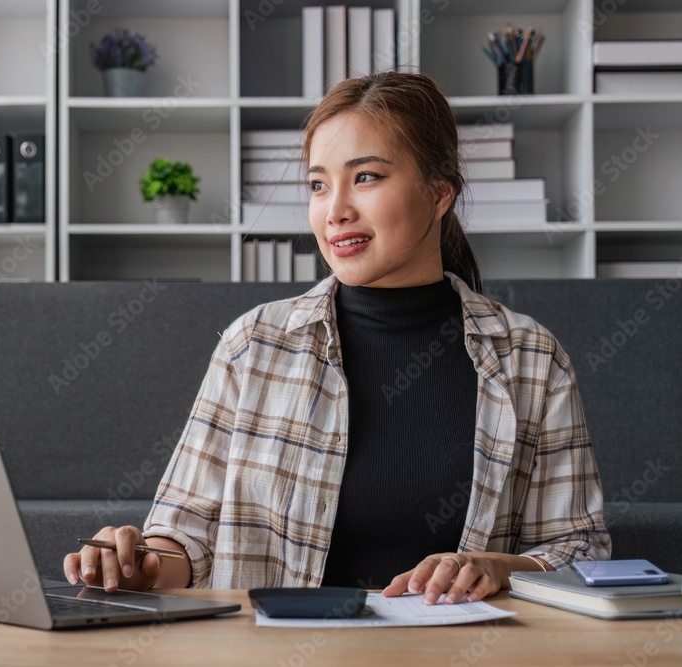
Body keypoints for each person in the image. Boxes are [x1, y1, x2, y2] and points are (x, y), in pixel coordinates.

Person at [63, 72, 610, 605]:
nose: (335, 210)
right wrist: (139, 565)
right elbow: (185, 538)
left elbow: (580, 554)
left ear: (440, 193)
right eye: (319, 184)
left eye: (366, 177)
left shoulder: (531, 359)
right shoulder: (253, 345)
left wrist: (495, 568)